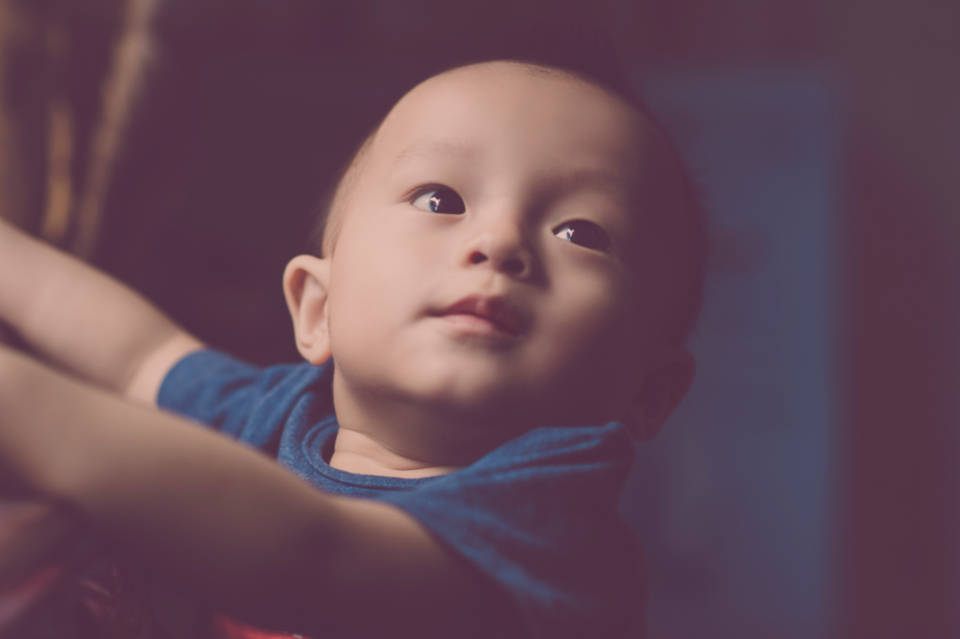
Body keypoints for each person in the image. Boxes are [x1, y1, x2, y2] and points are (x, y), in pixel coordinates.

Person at [0, 59, 704, 638]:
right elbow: (138, 356)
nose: (499, 243)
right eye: (439, 200)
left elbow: (313, 558)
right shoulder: (281, 416)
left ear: (651, 390)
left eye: (582, 233)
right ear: (317, 308)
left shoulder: (556, 526)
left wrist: (21, 399)